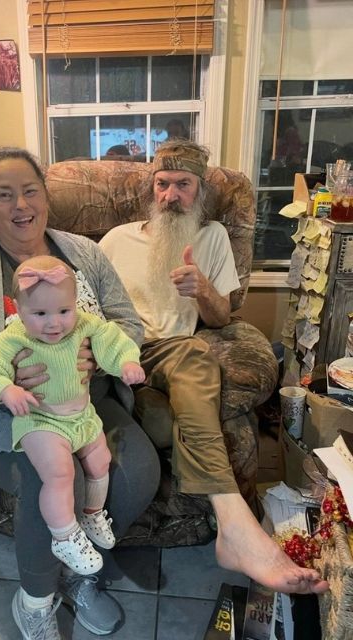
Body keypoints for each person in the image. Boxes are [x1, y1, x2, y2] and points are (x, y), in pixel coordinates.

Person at [0, 147, 160, 640]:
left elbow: (126, 323)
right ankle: (35, 600)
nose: (21, 205)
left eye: (30, 191)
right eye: (4, 195)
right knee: (51, 480)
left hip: (82, 401)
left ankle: (77, 573)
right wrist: (4, 384)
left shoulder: (84, 254)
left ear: (46, 197)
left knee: (139, 472)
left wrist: (100, 357)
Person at [99, 138, 329, 595]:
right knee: (168, 402)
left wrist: (203, 289)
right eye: (163, 184)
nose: (171, 195)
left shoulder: (212, 237)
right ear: (152, 189)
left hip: (174, 349)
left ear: (200, 191)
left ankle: (232, 525)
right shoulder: (115, 240)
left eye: (183, 184)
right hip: (118, 348)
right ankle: (236, 527)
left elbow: (221, 318)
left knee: (196, 354)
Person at [0, 255, 145, 576]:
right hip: (40, 421)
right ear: (18, 309)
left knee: (101, 461)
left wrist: (126, 362)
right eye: (39, 314)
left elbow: (111, 339)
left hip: (81, 416)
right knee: (60, 474)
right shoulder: (13, 337)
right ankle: (64, 536)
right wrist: (5, 390)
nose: (54, 323)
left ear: (74, 303)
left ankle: (91, 514)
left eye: (64, 311)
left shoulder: (84, 324)